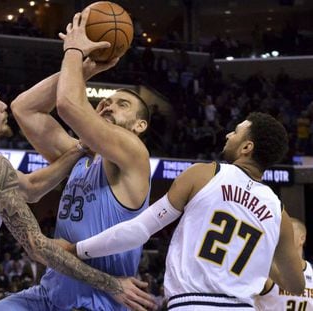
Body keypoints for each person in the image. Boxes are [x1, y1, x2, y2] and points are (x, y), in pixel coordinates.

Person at [0, 77, 155, 311]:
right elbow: (36, 245)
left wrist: (79, 145)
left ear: (140, 125)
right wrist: (75, 57)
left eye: (121, 104)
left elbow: (30, 189)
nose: (3, 106)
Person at [0, 9, 151, 311]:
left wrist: (74, 52)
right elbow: (25, 109)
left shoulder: (133, 153)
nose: (108, 104)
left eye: (122, 103)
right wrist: (86, 70)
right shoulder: (80, 152)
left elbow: (67, 105)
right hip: (50, 291)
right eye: (107, 99)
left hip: (101, 297)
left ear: (140, 126)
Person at [72, 111, 306, 310]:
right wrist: (258, 256)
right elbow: (295, 285)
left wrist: (78, 249)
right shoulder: (279, 212)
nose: (228, 135)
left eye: (235, 132)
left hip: (192, 303)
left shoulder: (205, 174)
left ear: (247, 147)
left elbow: (139, 230)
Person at [255, 217, 313, 311]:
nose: (281, 236)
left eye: (289, 233)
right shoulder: (268, 268)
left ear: (302, 238)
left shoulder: (311, 272)